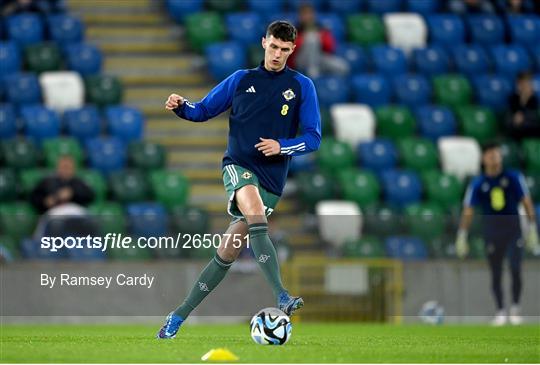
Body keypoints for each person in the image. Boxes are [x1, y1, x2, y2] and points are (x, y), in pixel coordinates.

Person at [157, 20, 321, 339]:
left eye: (284, 49)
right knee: (255, 211)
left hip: (272, 179)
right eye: (273, 46)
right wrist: (181, 106)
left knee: (228, 251)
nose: (277, 54)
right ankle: (282, 295)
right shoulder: (241, 80)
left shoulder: (302, 86)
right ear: (264, 43)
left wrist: (282, 146)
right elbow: (202, 110)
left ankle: (178, 315)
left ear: (292, 50)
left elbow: (314, 138)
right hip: (239, 165)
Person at [455, 142, 539, 326]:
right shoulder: (478, 183)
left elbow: (526, 201)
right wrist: (462, 235)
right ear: (484, 158)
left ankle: (515, 308)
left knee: (516, 268)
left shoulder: (513, 177)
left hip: (513, 229)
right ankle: (501, 310)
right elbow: (469, 209)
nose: (494, 157)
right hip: (492, 231)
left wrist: (532, 229)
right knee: (496, 272)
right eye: (490, 154)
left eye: (497, 154)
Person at [30, 155, 95, 238]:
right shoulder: (48, 182)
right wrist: (46, 201)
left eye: (68, 167)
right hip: (55, 212)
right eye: (64, 166)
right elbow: (34, 198)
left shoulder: (78, 183)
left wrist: (73, 193)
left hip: (75, 213)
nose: (66, 170)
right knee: (55, 225)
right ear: (58, 167)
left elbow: (90, 196)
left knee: (92, 223)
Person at [286, 3, 349, 78]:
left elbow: (330, 48)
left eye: (309, 13)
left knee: (342, 67)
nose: (307, 17)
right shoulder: (294, 29)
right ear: (300, 16)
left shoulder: (320, 27)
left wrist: (319, 37)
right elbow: (290, 50)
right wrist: (304, 37)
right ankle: (313, 74)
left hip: (319, 57)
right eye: (304, 14)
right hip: (300, 59)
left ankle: (331, 85)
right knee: (311, 38)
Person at [507, 72, 540, 140]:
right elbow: (513, 117)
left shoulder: (534, 99)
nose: (527, 86)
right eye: (524, 83)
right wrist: (523, 98)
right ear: (519, 85)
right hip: (516, 131)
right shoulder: (513, 98)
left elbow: (533, 117)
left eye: (528, 83)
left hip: (531, 130)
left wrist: (523, 118)